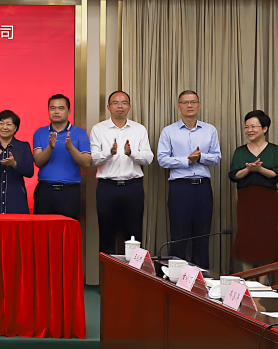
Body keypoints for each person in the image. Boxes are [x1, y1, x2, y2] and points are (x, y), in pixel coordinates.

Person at [157, 90, 221, 269]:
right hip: (180, 188)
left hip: (203, 188)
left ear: (199, 105)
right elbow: (162, 159)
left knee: (202, 236)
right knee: (179, 237)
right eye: (185, 102)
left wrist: (200, 158)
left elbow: (216, 157)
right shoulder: (169, 131)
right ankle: (176, 280)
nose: (189, 105)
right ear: (178, 106)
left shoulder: (210, 130)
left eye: (193, 102)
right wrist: (187, 160)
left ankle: (201, 281)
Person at [89, 91, 154, 253]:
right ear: (108, 107)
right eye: (115, 103)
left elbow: (148, 158)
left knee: (134, 236)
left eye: (124, 103)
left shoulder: (139, 129)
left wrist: (131, 153)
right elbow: (93, 159)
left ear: (129, 107)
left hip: (133, 188)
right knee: (106, 235)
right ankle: (107, 270)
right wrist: (109, 153)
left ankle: (133, 270)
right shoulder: (98, 129)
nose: (120, 106)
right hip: (107, 188)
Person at [228, 109, 278, 271]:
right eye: (246, 127)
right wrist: (248, 169)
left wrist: (260, 170)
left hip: (267, 199)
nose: (249, 130)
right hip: (246, 199)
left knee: (266, 236)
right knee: (246, 236)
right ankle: (248, 276)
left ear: (265, 128)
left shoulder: (275, 150)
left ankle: (262, 279)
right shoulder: (240, 151)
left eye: (253, 126)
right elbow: (233, 175)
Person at [32, 94, 92, 220]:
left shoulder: (80, 133)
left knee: (68, 229)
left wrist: (71, 148)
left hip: (69, 191)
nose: (56, 112)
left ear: (69, 111)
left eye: (61, 108)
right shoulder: (40, 132)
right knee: (42, 229)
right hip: (45, 190)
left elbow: (87, 163)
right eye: (52, 108)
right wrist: (50, 147)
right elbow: (38, 162)